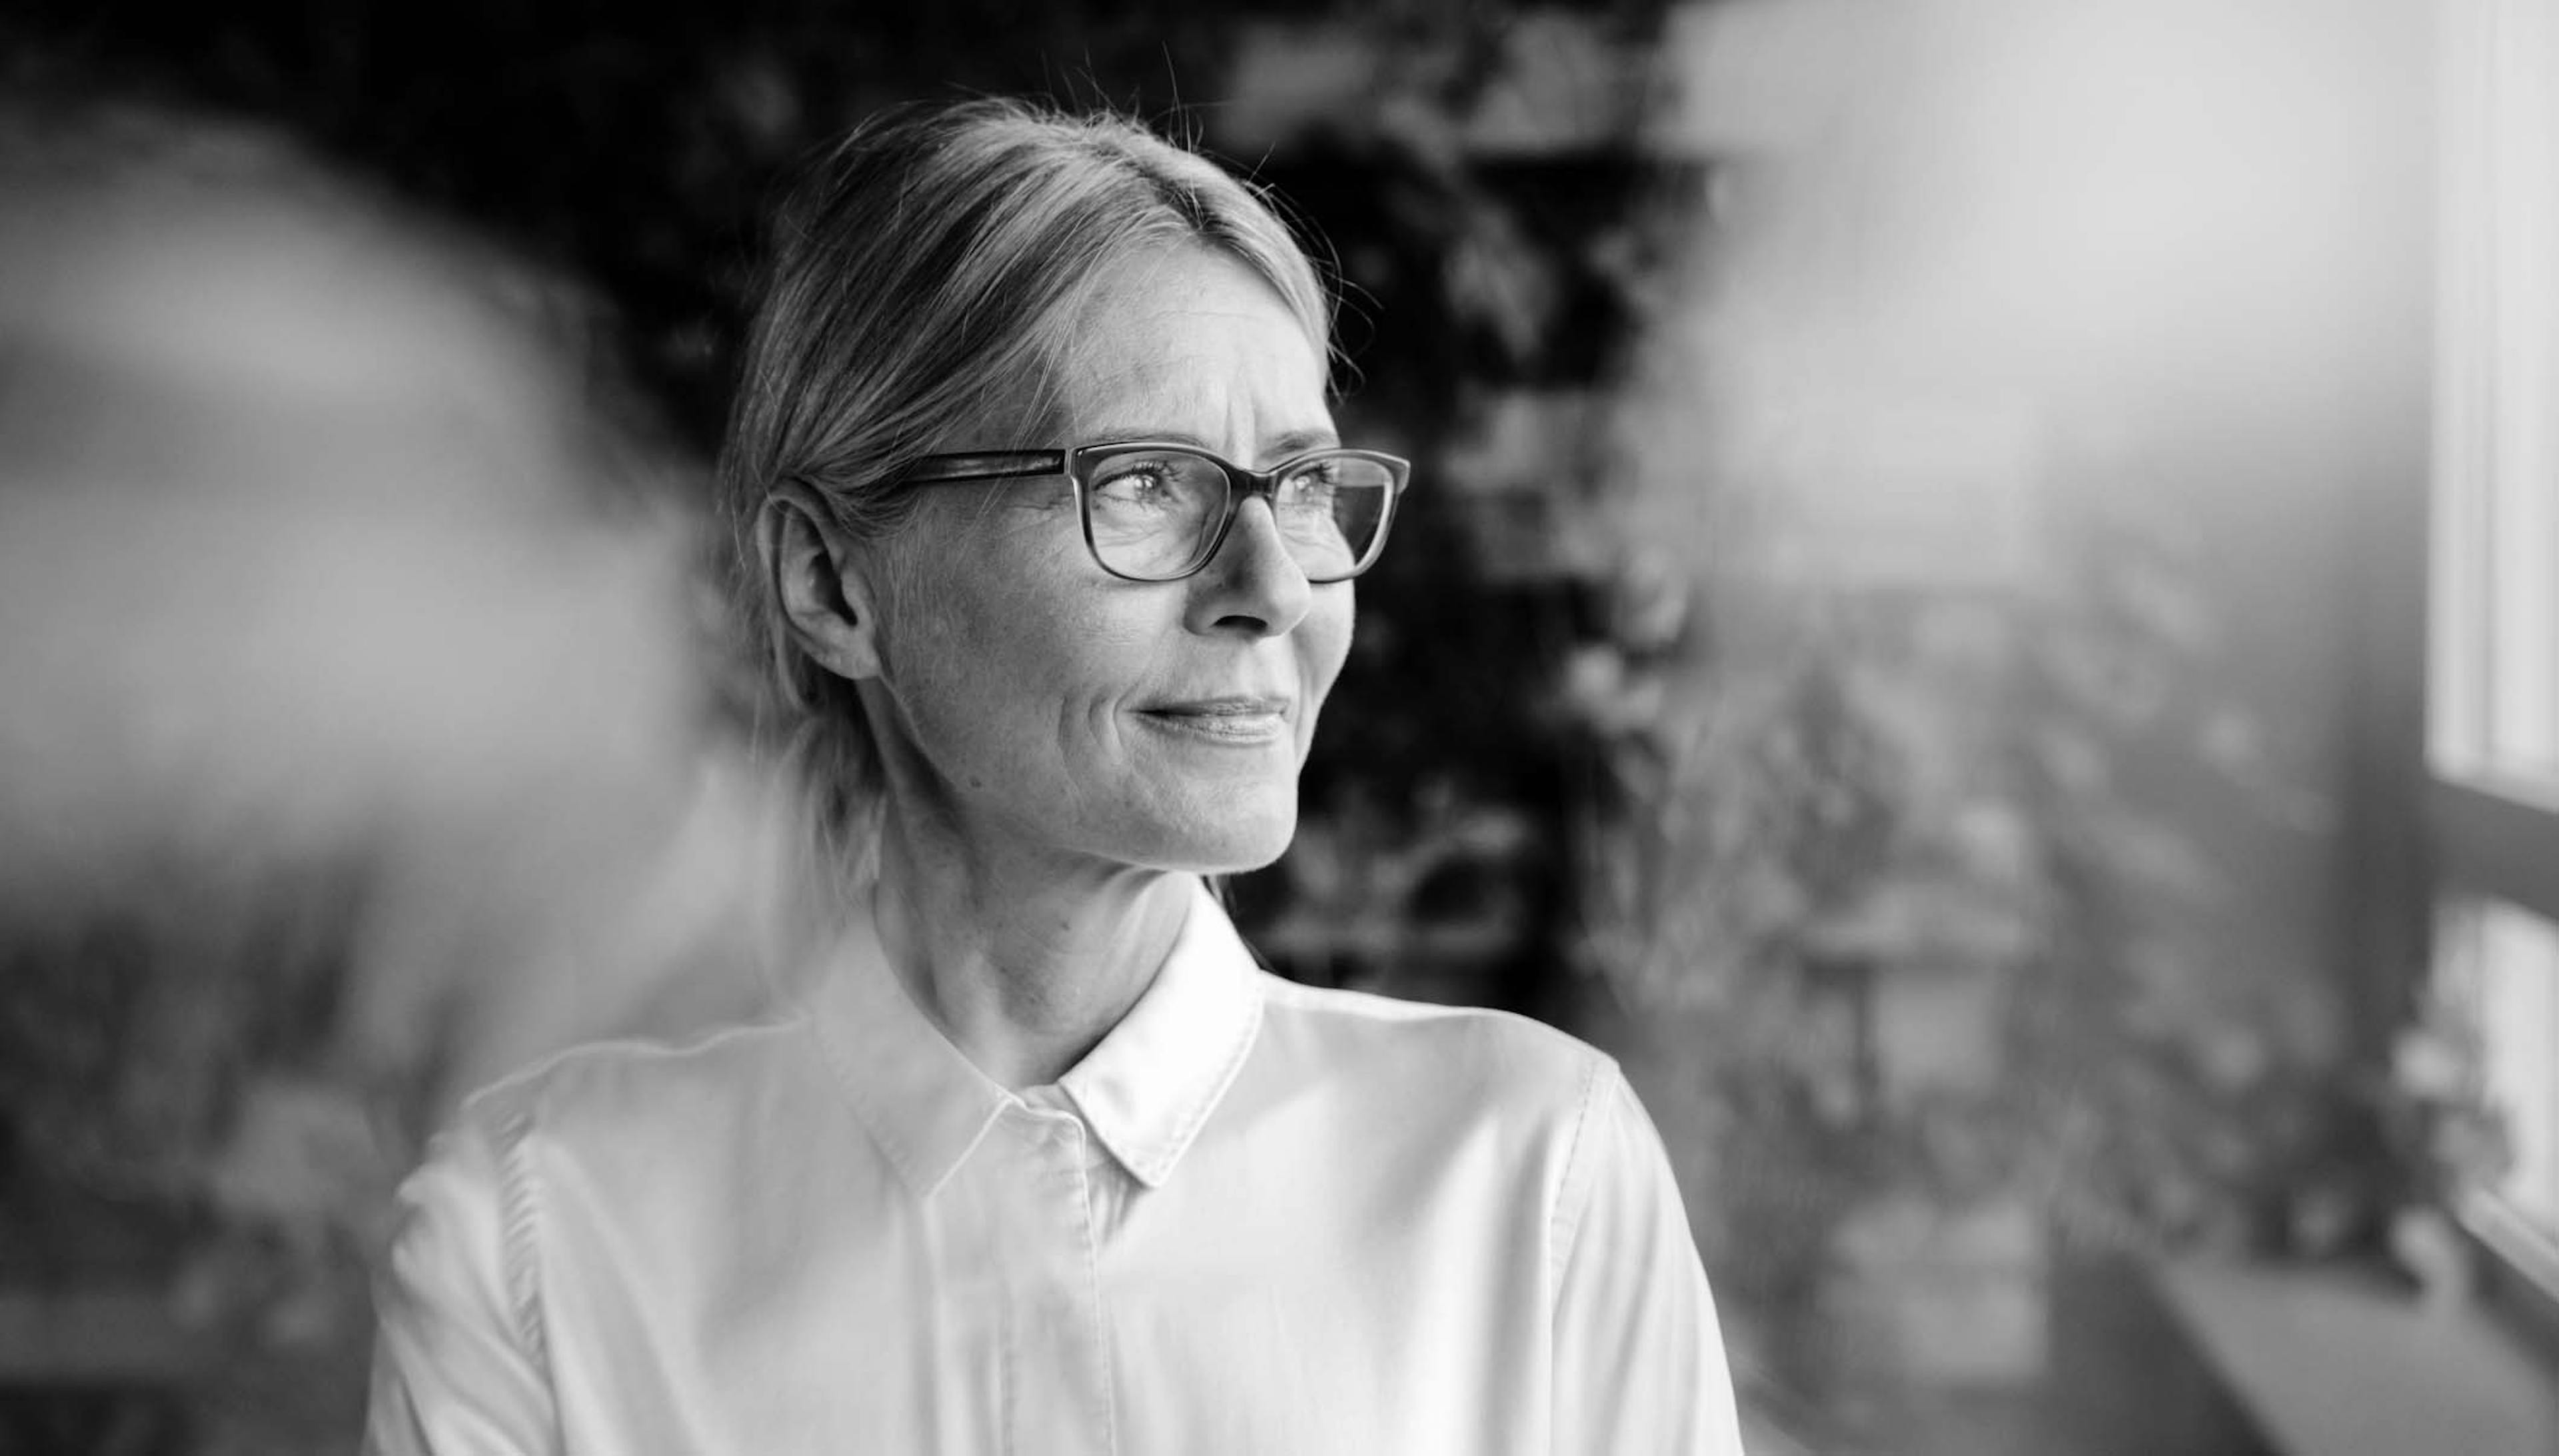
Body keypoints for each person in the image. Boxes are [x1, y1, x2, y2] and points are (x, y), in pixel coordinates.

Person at [363, 97, 1745, 1455]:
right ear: (833, 580)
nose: (1272, 587)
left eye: (1305, 487)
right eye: (1147, 482)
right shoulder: (540, 1233)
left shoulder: (1533, 1171)